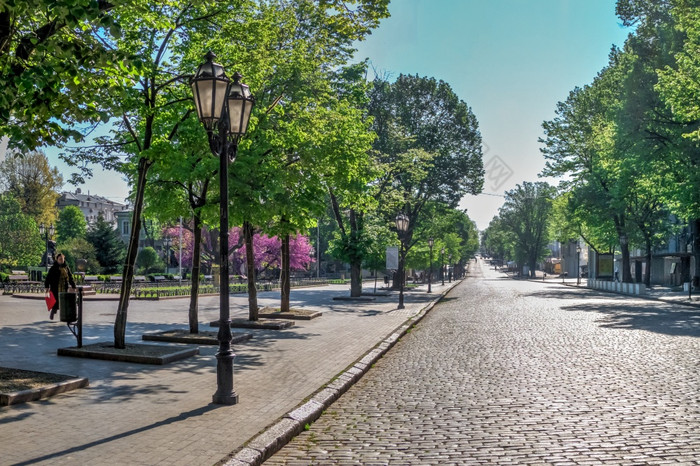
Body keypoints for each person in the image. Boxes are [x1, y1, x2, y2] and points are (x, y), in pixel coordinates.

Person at [44, 253, 76, 320]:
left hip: (64, 286)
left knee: (63, 301)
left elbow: (70, 277)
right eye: (60, 259)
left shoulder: (66, 268)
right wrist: (46, 286)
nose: (61, 260)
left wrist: (73, 285)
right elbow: (48, 278)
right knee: (55, 301)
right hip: (55, 287)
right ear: (57, 260)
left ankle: (64, 315)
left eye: (62, 259)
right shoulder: (53, 268)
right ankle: (53, 311)